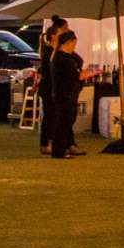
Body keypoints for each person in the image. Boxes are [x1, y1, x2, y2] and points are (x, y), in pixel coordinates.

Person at [43, 28, 84, 157]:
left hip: (65, 93)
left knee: (65, 122)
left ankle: (61, 148)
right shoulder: (62, 58)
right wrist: (86, 74)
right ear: (68, 43)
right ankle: (59, 150)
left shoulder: (62, 56)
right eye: (73, 44)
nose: (74, 47)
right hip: (64, 94)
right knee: (63, 122)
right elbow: (73, 75)